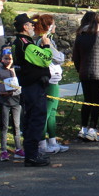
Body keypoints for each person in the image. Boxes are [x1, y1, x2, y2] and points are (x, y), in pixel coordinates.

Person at [11, 14, 52, 167]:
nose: (33, 27)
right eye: (30, 24)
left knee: (30, 120)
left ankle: (31, 153)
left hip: (28, 85)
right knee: (36, 120)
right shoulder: (26, 44)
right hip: (33, 86)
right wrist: (46, 46)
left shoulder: (19, 43)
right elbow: (45, 59)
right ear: (24, 27)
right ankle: (32, 155)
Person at [73, 12, 99, 142]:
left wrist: (79, 68)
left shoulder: (80, 36)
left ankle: (83, 128)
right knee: (96, 102)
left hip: (84, 72)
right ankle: (92, 129)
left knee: (87, 100)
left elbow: (75, 56)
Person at [35, 14, 69, 154]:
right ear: (48, 26)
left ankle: (53, 141)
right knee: (46, 112)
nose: (55, 27)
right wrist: (59, 54)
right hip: (49, 79)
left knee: (52, 113)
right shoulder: (44, 41)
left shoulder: (48, 40)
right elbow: (59, 57)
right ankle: (42, 143)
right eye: (53, 24)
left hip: (54, 78)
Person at [0, 51, 22, 160]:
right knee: (4, 126)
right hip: (4, 102)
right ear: (2, 59)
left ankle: (18, 149)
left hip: (16, 102)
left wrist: (13, 93)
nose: (8, 61)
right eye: (6, 58)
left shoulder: (17, 70)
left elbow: (21, 87)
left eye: (10, 59)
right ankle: (3, 151)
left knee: (16, 125)